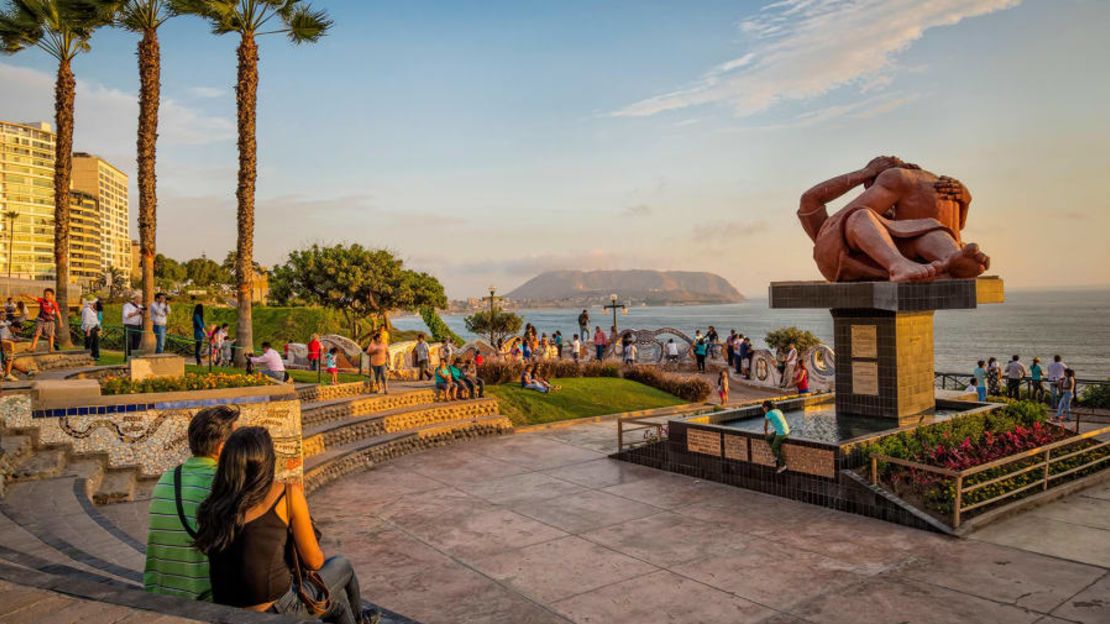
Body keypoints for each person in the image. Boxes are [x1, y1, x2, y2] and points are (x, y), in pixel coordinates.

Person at [194, 427, 372, 623]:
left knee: (335, 605)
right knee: (342, 567)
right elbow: (314, 562)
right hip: (276, 609)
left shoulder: (213, 505)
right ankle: (361, 619)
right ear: (266, 463)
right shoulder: (285, 495)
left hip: (228, 613)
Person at [797, 155, 988, 283]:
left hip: (913, 260)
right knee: (859, 216)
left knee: (929, 229)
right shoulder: (832, 233)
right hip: (851, 262)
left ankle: (951, 259)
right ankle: (898, 264)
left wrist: (964, 200)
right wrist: (866, 173)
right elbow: (809, 200)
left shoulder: (895, 225)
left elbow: (956, 228)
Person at [144, 406, 240, 600]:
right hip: (204, 600)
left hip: (158, 594)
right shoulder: (223, 484)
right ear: (222, 447)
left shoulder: (167, 478)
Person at [26, 288, 59, 353]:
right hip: (40, 319)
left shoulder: (54, 303)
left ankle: (51, 348)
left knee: (51, 335)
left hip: (50, 321)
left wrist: (60, 321)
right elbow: (34, 298)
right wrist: (27, 295)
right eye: (45, 294)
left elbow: (58, 312)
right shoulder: (42, 300)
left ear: (52, 295)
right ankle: (33, 347)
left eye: (48, 294)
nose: (46, 295)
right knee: (37, 334)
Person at [762, 400, 790, 474]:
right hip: (786, 430)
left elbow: (765, 426)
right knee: (768, 438)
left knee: (774, 447)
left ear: (767, 408)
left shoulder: (768, 414)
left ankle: (783, 465)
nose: (763, 409)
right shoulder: (778, 410)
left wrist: (766, 433)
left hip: (781, 433)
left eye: (763, 408)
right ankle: (777, 455)